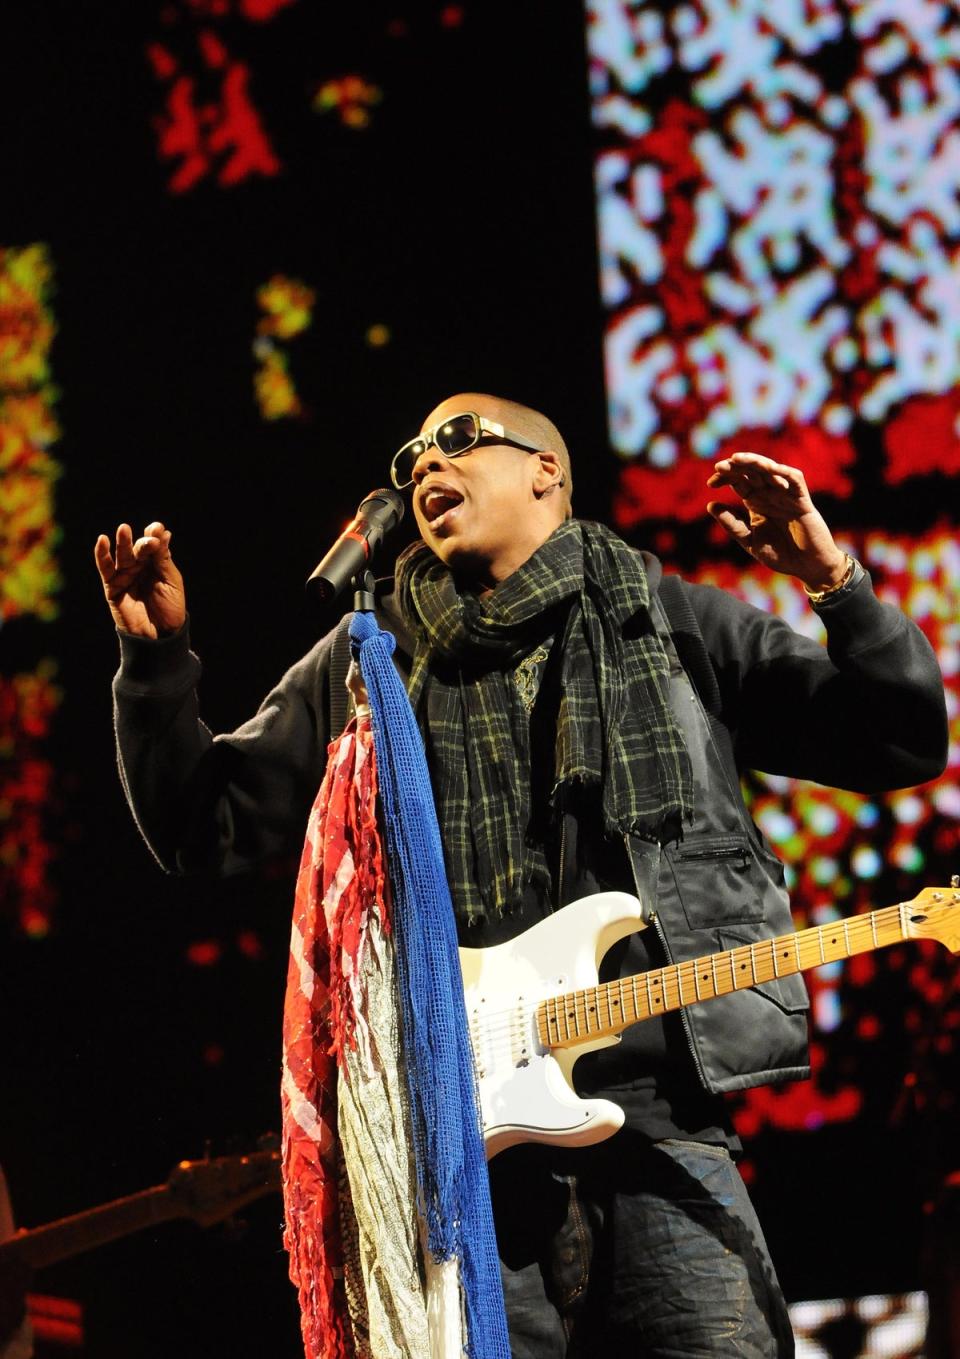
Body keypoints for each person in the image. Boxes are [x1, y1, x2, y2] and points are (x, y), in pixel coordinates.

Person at [95, 392, 948, 1357]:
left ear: (547, 470)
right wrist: (154, 660)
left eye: (456, 440)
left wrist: (834, 581)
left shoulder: (665, 619)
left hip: (660, 1135)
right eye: (410, 453)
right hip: (461, 1172)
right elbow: (203, 824)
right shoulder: (368, 661)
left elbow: (900, 737)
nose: (422, 465)